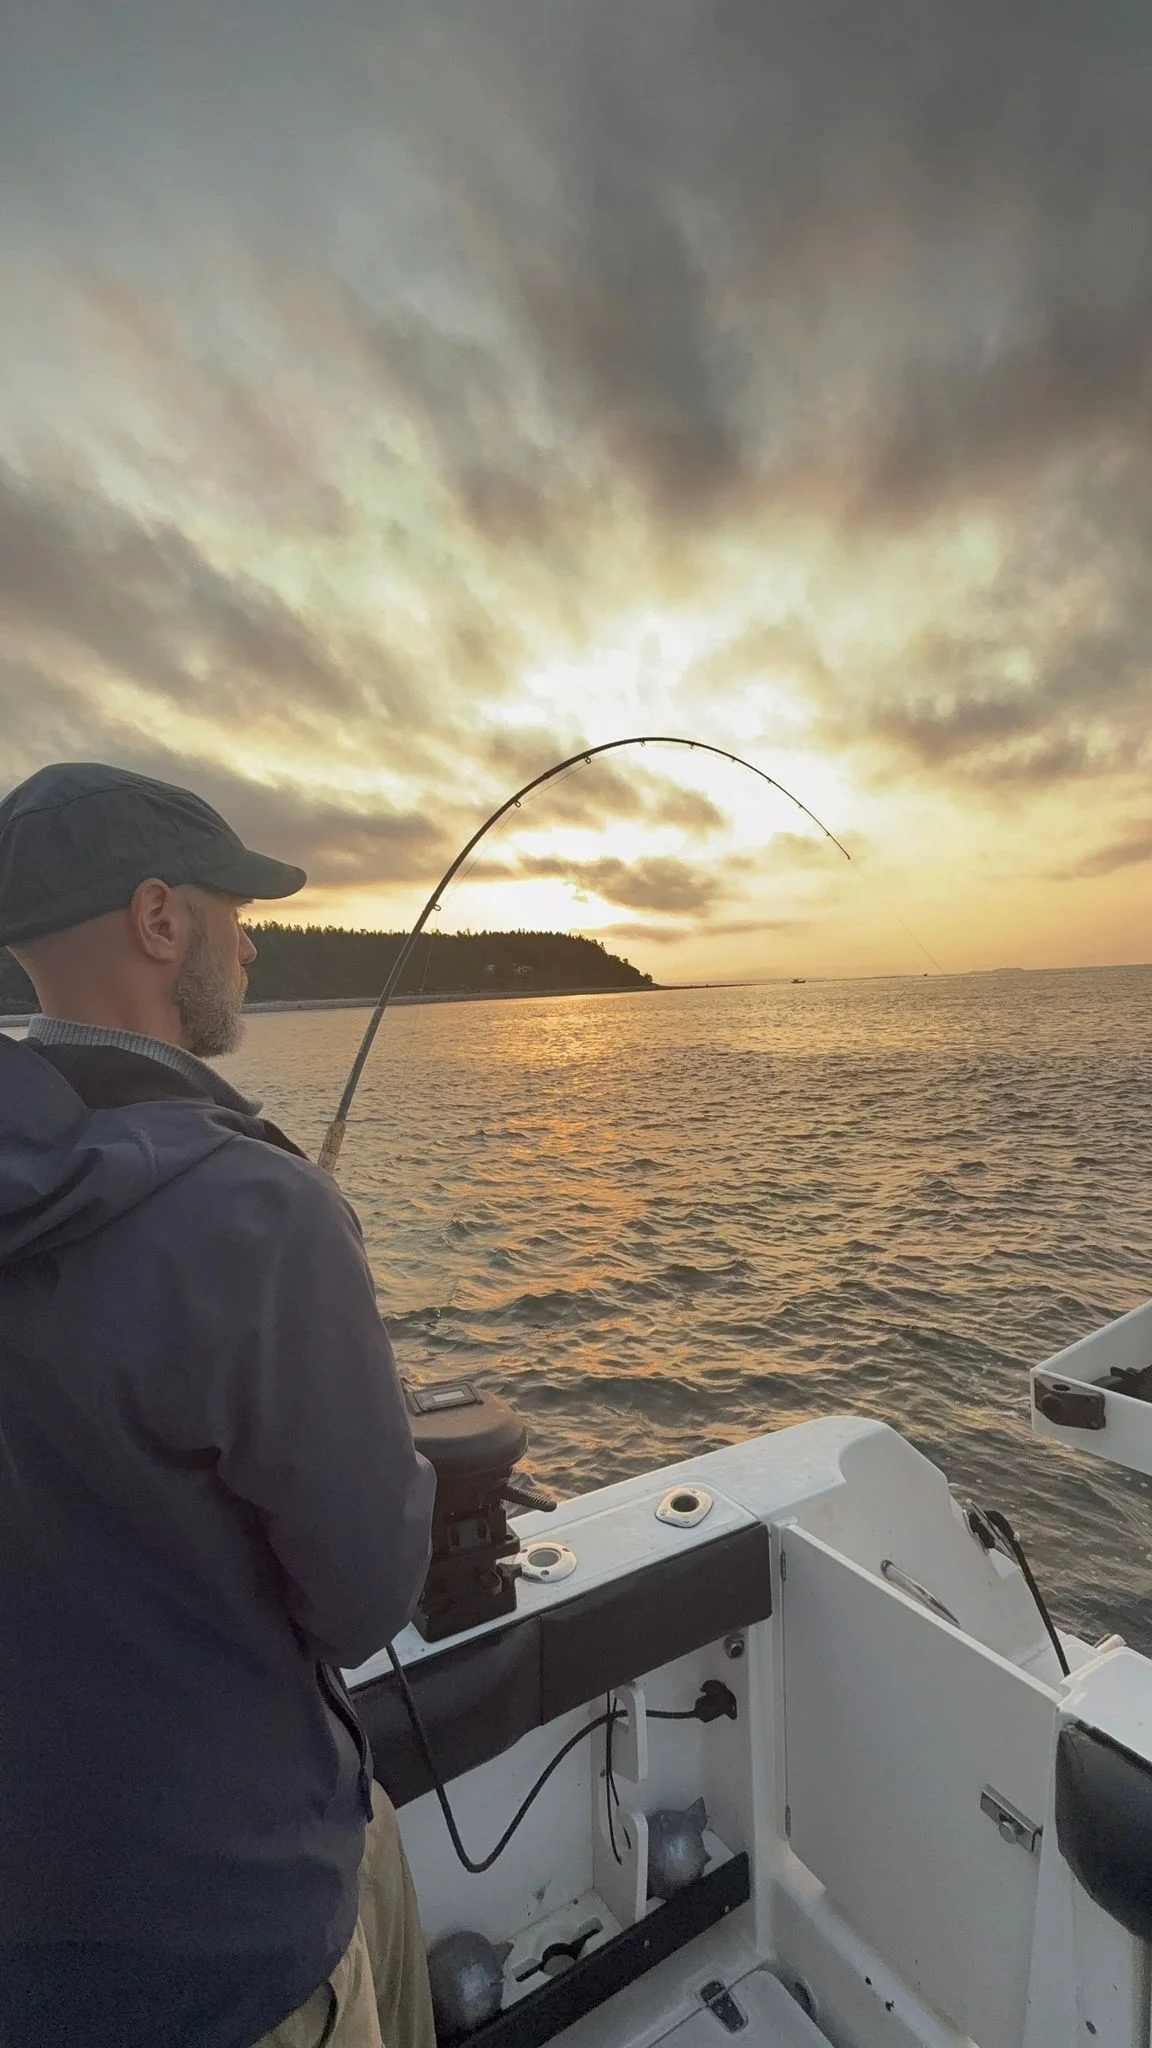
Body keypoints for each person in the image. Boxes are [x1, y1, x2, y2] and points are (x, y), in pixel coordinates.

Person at [0, 763, 439, 2048]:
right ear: (158, 920)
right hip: (238, 1945)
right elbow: (365, 1597)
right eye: (234, 907)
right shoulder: (260, 1214)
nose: (250, 941)